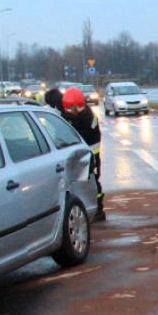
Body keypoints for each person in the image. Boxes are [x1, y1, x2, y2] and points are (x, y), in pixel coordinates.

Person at [61, 87, 106, 222]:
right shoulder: (63, 116)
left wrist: (91, 159)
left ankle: (98, 210)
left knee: (92, 180)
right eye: (71, 110)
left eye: (77, 109)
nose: (75, 113)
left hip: (90, 154)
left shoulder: (89, 117)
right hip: (71, 156)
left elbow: (87, 138)